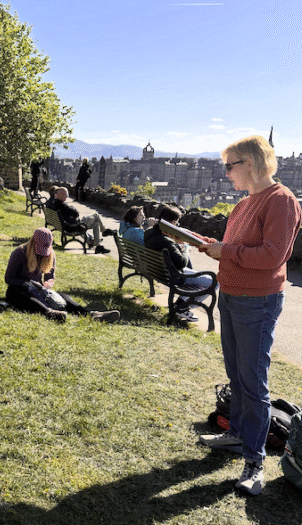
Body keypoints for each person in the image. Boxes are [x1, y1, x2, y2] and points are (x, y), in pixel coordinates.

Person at [197, 135, 302, 496]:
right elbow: (237, 249)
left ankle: (254, 462)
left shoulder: (282, 201)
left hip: (257, 302)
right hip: (231, 296)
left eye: (231, 165)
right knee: (237, 375)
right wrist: (207, 245)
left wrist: (226, 250)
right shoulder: (245, 204)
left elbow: (271, 257)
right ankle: (237, 435)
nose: (226, 174)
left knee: (254, 384)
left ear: (253, 164)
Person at [5, 227, 120, 323]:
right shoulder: (19, 252)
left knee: (63, 297)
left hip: (39, 289)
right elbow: (9, 278)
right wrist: (25, 283)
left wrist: (49, 283)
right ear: (33, 242)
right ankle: (50, 313)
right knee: (21, 295)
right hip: (19, 289)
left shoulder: (50, 254)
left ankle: (91, 314)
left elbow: (50, 276)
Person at [144, 206, 215, 323]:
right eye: (176, 223)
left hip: (159, 272)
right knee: (214, 282)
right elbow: (182, 263)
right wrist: (185, 249)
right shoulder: (167, 241)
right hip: (174, 277)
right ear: (172, 223)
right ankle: (182, 307)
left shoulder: (149, 232)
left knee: (198, 277)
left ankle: (181, 305)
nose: (177, 225)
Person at [49, 187, 112, 254]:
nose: (66, 195)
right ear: (58, 195)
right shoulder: (61, 204)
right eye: (65, 194)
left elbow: (71, 212)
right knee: (96, 215)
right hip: (73, 226)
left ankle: (98, 246)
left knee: (96, 224)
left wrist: (71, 210)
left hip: (68, 225)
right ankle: (104, 231)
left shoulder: (55, 203)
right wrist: (72, 209)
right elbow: (76, 213)